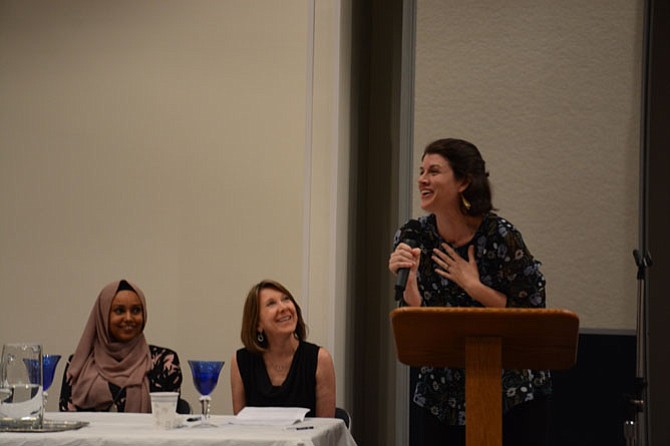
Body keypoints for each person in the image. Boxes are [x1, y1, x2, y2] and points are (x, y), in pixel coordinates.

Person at [388, 138, 551, 446]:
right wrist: (409, 288)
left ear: (463, 181)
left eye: (434, 171)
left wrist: (474, 286)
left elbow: (534, 313)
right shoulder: (414, 235)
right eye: (421, 171)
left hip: (509, 393)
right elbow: (423, 323)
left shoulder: (500, 236)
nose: (422, 179)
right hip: (440, 395)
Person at [59, 279, 186, 413]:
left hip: (149, 435)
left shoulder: (164, 362)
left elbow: (170, 424)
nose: (128, 318)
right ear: (103, 315)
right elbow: (67, 421)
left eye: (136, 310)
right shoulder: (79, 364)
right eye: (119, 311)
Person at [230, 279, 336, 418]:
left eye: (286, 299)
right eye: (271, 303)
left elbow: (326, 433)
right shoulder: (241, 361)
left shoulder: (319, 359)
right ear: (257, 324)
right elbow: (241, 429)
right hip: (258, 440)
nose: (283, 307)